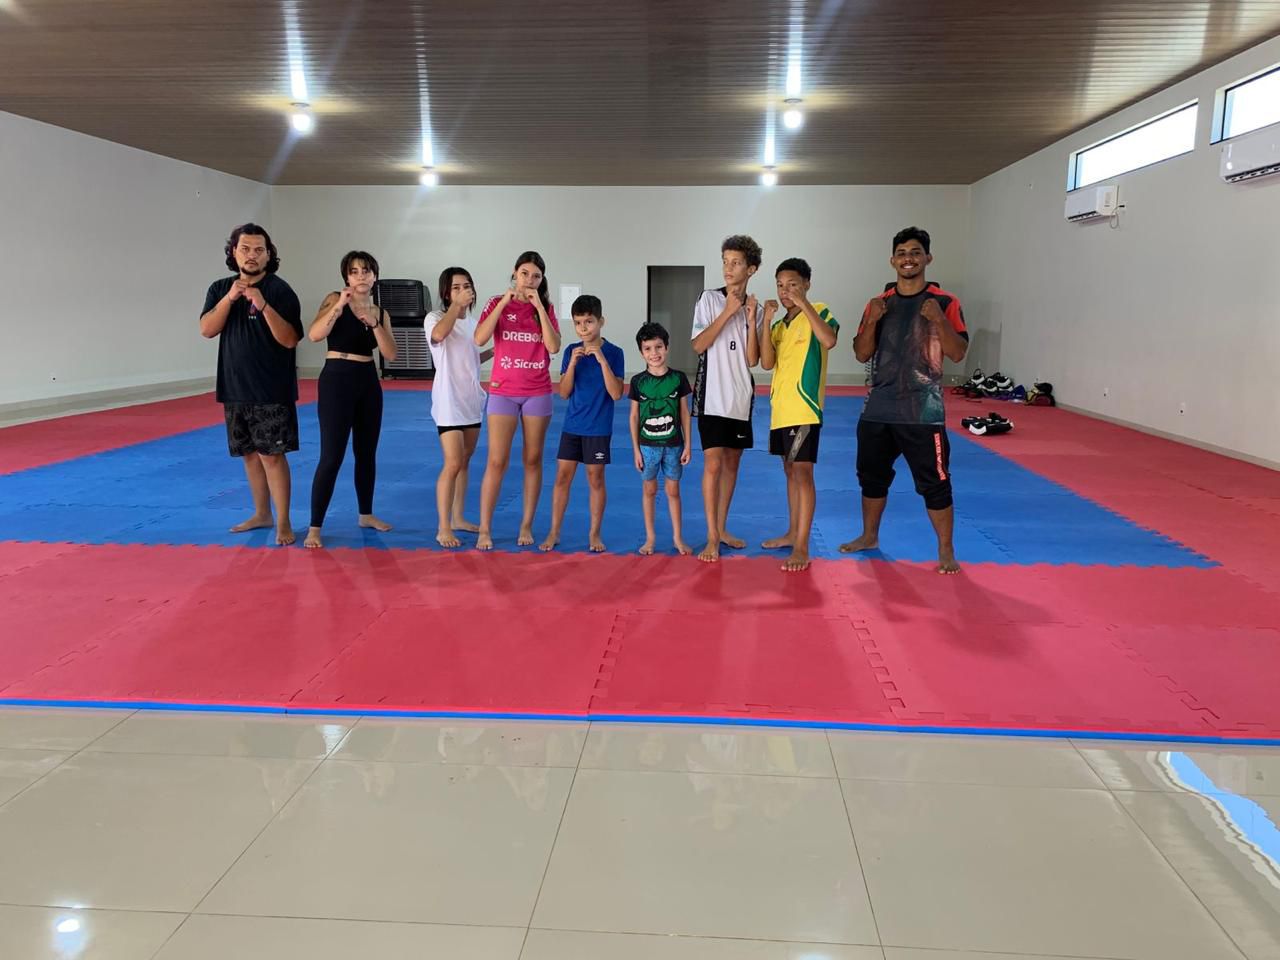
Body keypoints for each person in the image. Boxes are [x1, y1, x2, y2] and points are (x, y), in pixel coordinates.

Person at [841, 226, 969, 574]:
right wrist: (873, 321)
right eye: (901, 253)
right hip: (879, 408)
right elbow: (861, 353)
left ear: (928, 258)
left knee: (935, 483)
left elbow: (958, 353)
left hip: (923, 411)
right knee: (871, 478)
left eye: (915, 252)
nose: (908, 259)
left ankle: (946, 550)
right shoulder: (878, 303)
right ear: (892, 260)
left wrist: (938, 319)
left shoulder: (945, 302)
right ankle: (869, 536)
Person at [198, 223, 303, 546]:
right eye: (245, 249)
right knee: (249, 455)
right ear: (234, 252)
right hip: (234, 387)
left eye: (259, 250)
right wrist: (231, 298)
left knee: (272, 456)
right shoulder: (220, 289)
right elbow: (207, 329)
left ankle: (283, 521)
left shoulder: (280, 290)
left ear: (269, 255)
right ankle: (262, 513)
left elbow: (290, 339)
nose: (252, 255)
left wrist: (263, 304)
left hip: (271, 389)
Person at [302, 251, 398, 550]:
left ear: (375, 275)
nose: (360, 276)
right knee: (331, 456)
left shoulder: (381, 312)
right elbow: (315, 335)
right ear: (346, 276)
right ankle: (315, 526)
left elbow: (391, 354)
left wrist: (374, 324)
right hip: (337, 378)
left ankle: (366, 514)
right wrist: (340, 306)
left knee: (366, 453)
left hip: (367, 380)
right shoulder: (334, 299)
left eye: (366, 271)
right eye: (354, 271)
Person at [473, 251, 562, 550]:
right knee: (497, 460)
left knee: (533, 459)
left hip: (537, 391)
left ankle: (526, 524)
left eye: (536, 276)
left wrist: (539, 307)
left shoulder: (546, 307)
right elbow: (479, 339)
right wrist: (503, 303)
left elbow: (553, 347)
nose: (529, 280)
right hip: (503, 391)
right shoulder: (496, 303)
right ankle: (485, 528)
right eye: (524, 273)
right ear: (514, 273)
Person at [758, 258, 838, 572]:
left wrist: (803, 304)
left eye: (792, 284)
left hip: (805, 409)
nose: (785, 291)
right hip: (780, 411)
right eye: (780, 285)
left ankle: (802, 545)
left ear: (806, 284)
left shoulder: (819, 310)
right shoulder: (780, 326)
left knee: (803, 474)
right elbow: (766, 363)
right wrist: (766, 321)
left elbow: (829, 340)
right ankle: (793, 533)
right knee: (790, 472)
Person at [691, 235, 763, 563]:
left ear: (752, 269)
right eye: (725, 261)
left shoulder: (754, 309)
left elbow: (752, 359)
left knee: (732, 464)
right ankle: (710, 537)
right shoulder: (708, 299)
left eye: (735, 263)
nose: (728, 268)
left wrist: (749, 316)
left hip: (740, 397)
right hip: (711, 396)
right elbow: (698, 345)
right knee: (713, 463)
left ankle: (721, 529)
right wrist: (728, 312)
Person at [540, 295, 625, 553]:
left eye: (589, 321)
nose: (583, 328)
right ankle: (554, 531)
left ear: (601, 321)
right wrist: (573, 364)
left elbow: (616, 394)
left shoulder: (614, 353)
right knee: (561, 477)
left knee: (595, 478)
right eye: (578, 323)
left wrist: (601, 360)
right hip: (572, 426)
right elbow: (564, 393)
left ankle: (594, 533)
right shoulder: (570, 351)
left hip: (598, 428)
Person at [427, 267, 492, 548]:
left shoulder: (474, 324)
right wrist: (456, 306)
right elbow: (439, 336)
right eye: (456, 287)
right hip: (449, 402)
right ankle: (443, 527)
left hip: (471, 401)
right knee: (452, 463)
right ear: (446, 293)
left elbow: (472, 358)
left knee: (464, 462)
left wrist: (497, 351)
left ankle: (458, 518)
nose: (464, 290)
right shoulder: (435, 318)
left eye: (467, 286)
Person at [629, 322, 693, 556]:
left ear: (666, 347)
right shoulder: (638, 381)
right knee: (649, 490)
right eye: (647, 349)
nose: (654, 353)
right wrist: (636, 450)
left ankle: (677, 537)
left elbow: (684, 413)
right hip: (647, 447)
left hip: (674, 445)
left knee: (673, 491)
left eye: (658, 347)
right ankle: (650, 538)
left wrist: (688, 445)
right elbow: (634, 416)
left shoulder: (678, 378)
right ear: (641, 352)